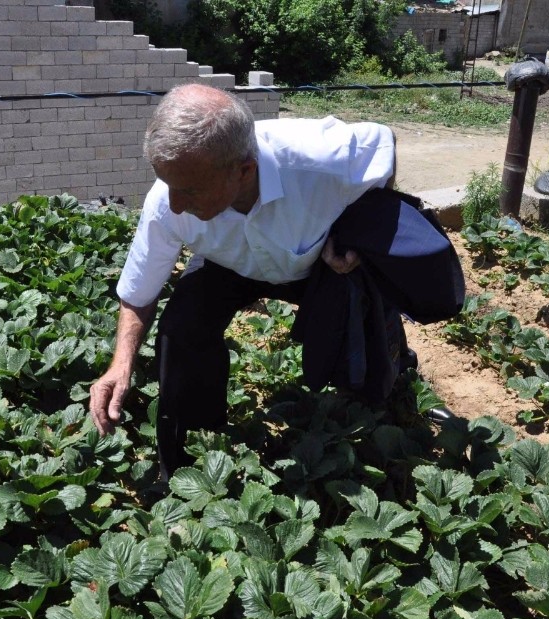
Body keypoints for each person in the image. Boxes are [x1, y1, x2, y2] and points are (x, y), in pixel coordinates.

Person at [88, 83, 397, 481]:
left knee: (363, 320)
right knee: (183, 327)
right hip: (227, 264)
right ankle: (195, 457)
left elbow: (384, 147)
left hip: (312, 259)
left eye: (189, 190)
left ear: (244, 171)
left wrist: (359, 232)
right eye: (167, 185)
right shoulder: (167, 200)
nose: (176, 203)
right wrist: (121, 365)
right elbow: (139, 291)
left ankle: (378, 409)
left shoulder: (319, 158)